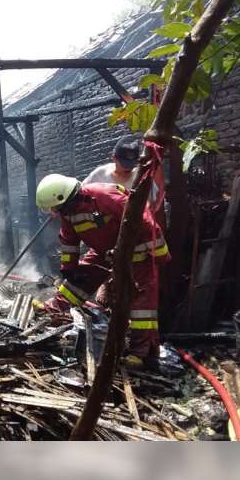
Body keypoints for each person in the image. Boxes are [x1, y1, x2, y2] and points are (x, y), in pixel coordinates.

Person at [36, 173, 170, 367]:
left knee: (142, 307)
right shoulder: (69, 213)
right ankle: (52, 309)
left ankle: (139, 353)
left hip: (139, 254)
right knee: (79, 281)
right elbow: (69, 242)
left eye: (54, 208)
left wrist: (159, 255)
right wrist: (70, 269)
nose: (53, 213)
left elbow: (145, 222)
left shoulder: (105, 196)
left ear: (64, 200)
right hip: (104, 252)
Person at [84, 135, 165, 214]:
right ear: (114, 158)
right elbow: (82, 193)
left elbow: (152, 203)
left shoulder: (141, 177)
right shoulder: (99, 175)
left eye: (132, 164)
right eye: (124, 164)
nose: (128, 168)